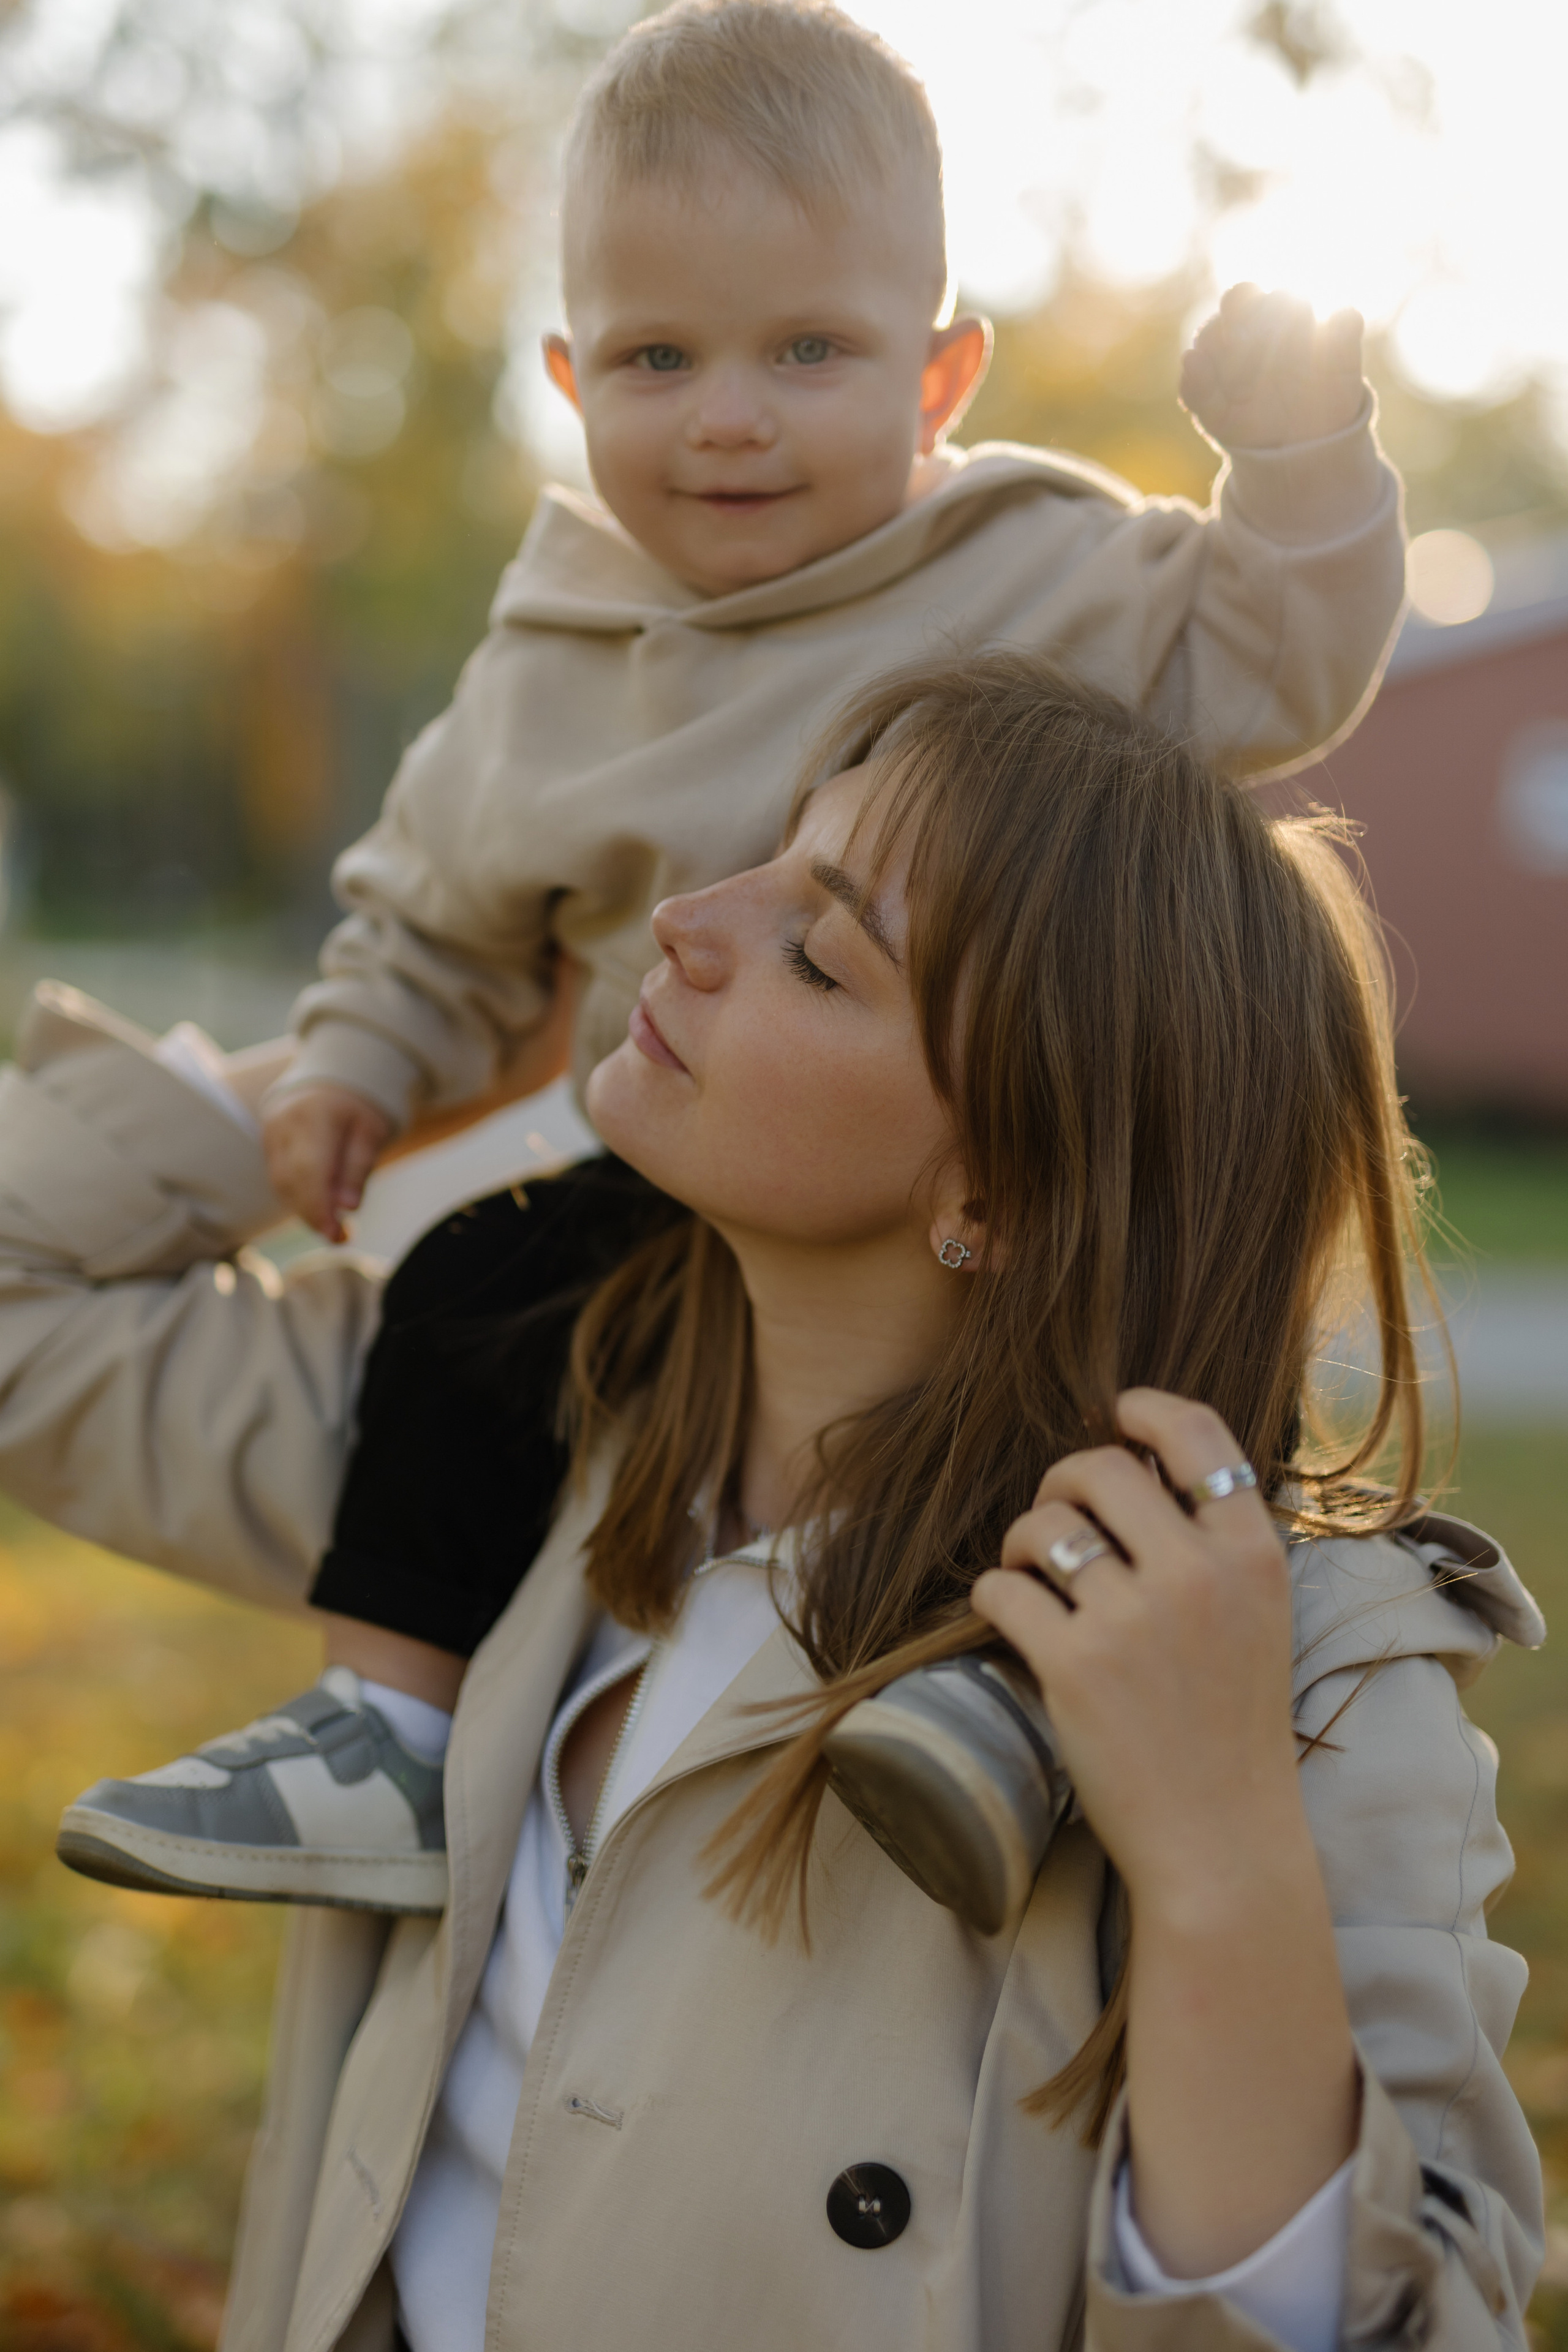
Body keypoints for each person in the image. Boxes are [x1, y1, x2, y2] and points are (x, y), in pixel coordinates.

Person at [1, 654, 1542, 2348]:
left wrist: (1220, 1858)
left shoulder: (1295, 1674)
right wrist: (386, 1048)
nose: (684, 921)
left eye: (816, 950)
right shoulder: (500, 1433)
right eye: (766, 853)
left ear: (1007, 1188)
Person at [59, 0, 1412, 1900]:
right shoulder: (553, 661)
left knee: (1162, 1353)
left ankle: (1020, 1706)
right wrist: (360, 1061)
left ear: (942, 379)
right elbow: (437, 912)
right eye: (656, 356)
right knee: (473, 1298)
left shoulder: (1040, 575)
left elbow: (1283, 651)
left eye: (808, 350)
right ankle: (396, 1726)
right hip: (689, 1183)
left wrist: (1298, 455)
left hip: (1018, 1152)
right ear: (569, 376)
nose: (728, 414)